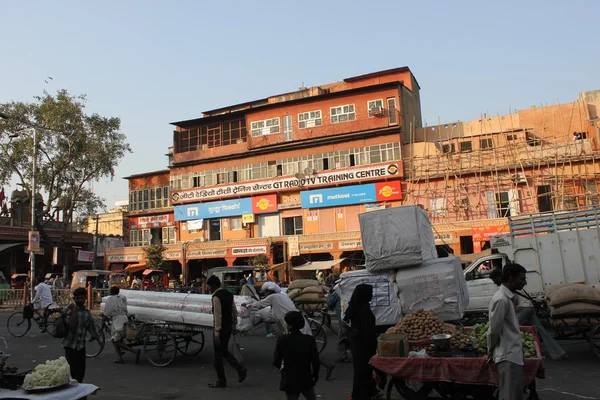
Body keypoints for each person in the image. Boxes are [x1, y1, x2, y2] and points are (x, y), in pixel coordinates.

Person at [489, 268, 568, 361]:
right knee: (542, 332)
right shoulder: (514, 285)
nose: (494, 282)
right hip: (530, 308)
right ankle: (559, 353)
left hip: (524, 309)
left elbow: (512, 304)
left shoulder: (508, 287)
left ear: (499, 277)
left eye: (494, 279)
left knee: (512, 330)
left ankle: (522, 353)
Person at [487, 263, 527, 400]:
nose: (525, 282)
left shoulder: (508, 297)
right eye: (521, 279)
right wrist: (490, 349)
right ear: (511, 278)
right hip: (508, 355)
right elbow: (494, 330)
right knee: (509, 395)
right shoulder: (501, 299)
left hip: (512, 354)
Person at [207, 275, 247, 389]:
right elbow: (234, 310)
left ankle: (222, 380)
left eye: (210, 286)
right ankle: (240, 369)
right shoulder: (229, 295)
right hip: (228, 327)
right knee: (224, 352)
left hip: (221, 328)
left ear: (213, 285)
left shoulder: (216, 297)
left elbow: (218, 315)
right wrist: (234, 324)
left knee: (218, 356)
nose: (209, 289)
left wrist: (216, 333)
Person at [273, 311, 320, 400]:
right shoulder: (309, 340)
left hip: (289, 378)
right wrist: (315, 376)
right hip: (305, 377)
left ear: (288, 325)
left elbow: (277, 361)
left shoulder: (282, 340)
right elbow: (315, 361)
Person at [344, 284, 378, 400]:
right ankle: (359, 395)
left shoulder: (355, 305)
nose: (372, 295)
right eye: (370, 293)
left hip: (357, 343)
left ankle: (368, 391)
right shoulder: (363, 308)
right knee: (362, 370)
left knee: (362, 369)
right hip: (364, 344)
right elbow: (367, 328)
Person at [63, 288, 101, 383]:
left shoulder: (87, 313)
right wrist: (75, 311)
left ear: (85, 298)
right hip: (70, 346)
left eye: (82, 298)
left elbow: (91, 328)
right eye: (78, 298)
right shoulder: (70, 310)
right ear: (74, 298)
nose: (80, 300)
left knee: (80, 373)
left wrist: (98, 340)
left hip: (81, 347)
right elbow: (70, 324)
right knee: (71, 373)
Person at [246, 282, 312, 336]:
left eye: (266, 292)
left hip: (285, 317)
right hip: (293, 315)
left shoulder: (272, 296)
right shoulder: (282, 295)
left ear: (269, 291)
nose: (265, 294)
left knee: (289, 333)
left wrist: (248, 305)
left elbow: (260, 304)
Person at [103, 286, 140, 364]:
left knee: (115, 340)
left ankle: (134, 351)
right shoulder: (123, 297)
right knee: (117, 339)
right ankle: (120, 357)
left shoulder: (111, 299)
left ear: (111, 292)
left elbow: (108, 310)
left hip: (117, 320)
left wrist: (105, 315)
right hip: (124, 318)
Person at [327, 284, 349, 363]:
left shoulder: (337, 292)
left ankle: (343, 356)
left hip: (343, 318)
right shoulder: (351, 290)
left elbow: (330, 303)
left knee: (342, 338)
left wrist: (329, 295)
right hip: (351, 318)